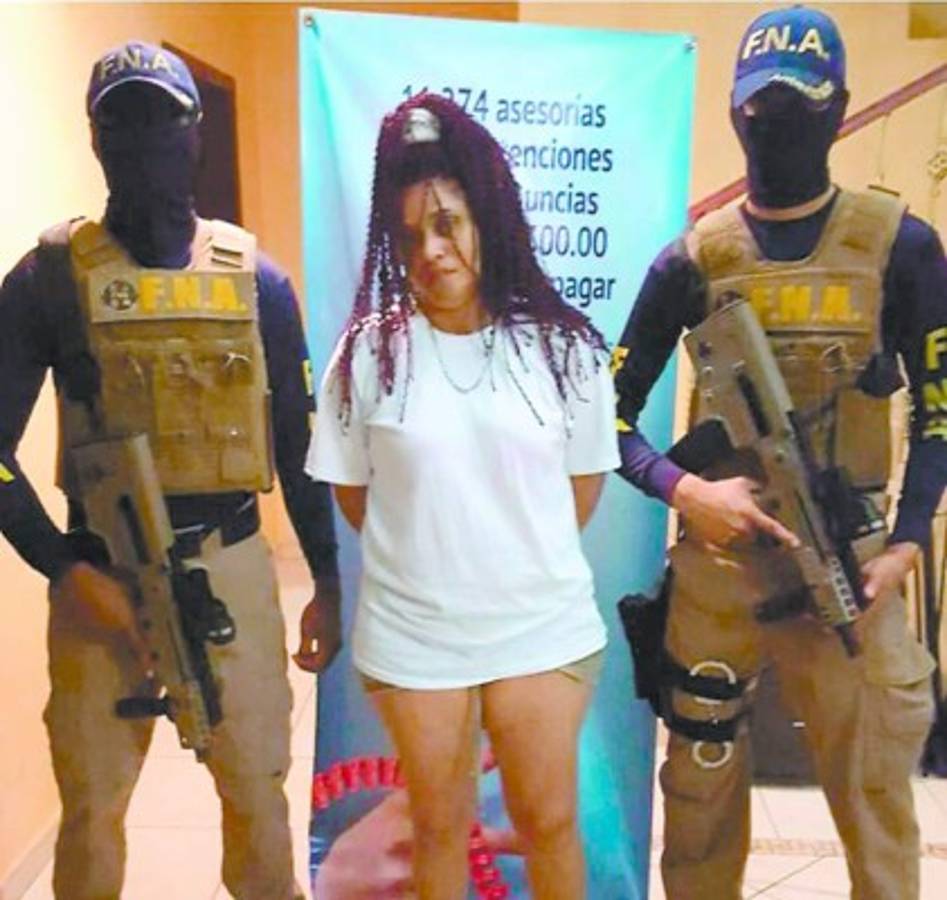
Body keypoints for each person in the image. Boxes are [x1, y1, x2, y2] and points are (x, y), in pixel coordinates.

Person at [612, 7, 947, 899]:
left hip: (852, 569)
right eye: (761, 110)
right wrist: (685, 489)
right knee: (698, 797)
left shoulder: (900, 247)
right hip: (718, 573)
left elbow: (941, 412)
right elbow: (601, 418)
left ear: (839, 108)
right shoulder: (692, 259)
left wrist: (906, 541)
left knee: (874, 802)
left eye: (799, 108)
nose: (776, 126)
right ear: (734, 112)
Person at [0, 41, 341, 900]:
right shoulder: (48, 279)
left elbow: (299, 444)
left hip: (230, 568)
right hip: (100, 576)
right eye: (123, 122)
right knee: (92, 807)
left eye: (161, 119)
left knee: (256, 792)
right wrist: (64, 567)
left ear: (193, 134)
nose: (144, 141)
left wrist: (329, 580)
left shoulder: (257, 283)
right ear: (95, 139)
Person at [306, 93, 618, 900]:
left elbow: (579, 491)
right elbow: (353, 496)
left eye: (447, 224)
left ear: (488, 218)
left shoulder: (564, 350)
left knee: (549, 820)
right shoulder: (366, 357)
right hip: (415, 634)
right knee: (438, 825)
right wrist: (432, 556)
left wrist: (503, 560)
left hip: (540, 626)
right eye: (409, 235)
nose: (431, 252)